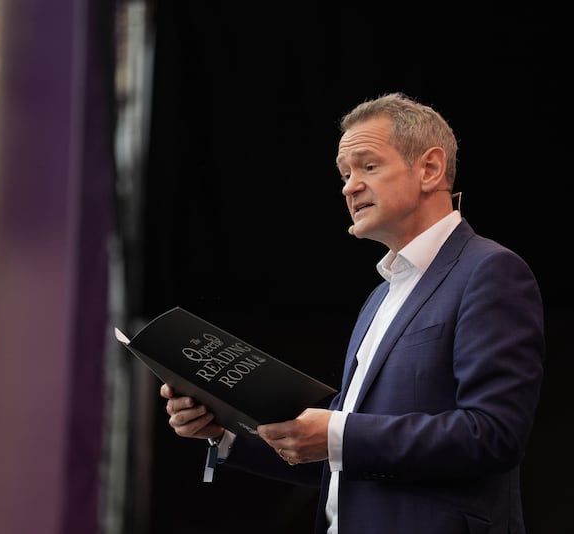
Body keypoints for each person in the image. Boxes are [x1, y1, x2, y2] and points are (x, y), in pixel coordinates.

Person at [161, 92, 546, 533]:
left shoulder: (489, 271)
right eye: (344, 174)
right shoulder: (379, 298)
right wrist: (223, 432)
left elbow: (494, 434)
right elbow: (342, 461)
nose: (348, 186)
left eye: (368, 165)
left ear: (430, 169)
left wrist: (336, 433)